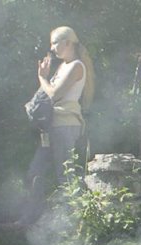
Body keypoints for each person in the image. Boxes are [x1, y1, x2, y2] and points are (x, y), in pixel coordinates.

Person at [20, 26, 95, 225]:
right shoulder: (63, 66)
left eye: (54, 42)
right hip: (52, 126)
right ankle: (32, 218)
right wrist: (45, 77)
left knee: (66, 176)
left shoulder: (77, 66)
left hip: (65, 126)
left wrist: (42, 77)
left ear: (68, 43)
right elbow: (47, 94)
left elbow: (54, 94)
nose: (52, 47)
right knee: (35, 171)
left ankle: (76, 224)